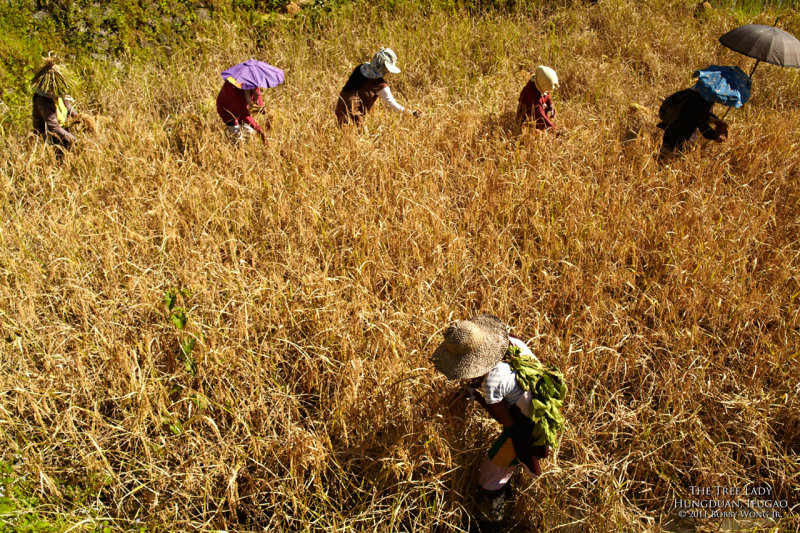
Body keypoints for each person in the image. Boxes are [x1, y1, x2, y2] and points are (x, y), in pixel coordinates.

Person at [432, 315, 566, 530]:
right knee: (506, 466)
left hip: (526, 426)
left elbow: (507, 420)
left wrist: (476, 397)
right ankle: (511, 483)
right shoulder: (513, 342)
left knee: (490, 473)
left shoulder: (492, 382)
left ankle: (491, 523)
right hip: (543, 405)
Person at [335, 47, 420, 128]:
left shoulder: (359, 69)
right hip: (355, 114)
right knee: (365, 139)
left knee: (343, 137)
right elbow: (393, 105)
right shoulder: (380, 85)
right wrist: (411, 113)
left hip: (339, 108)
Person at [657, 86, 728, 158]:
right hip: (682, 135)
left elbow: (700, 114)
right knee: (676, 157)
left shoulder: (695, 91)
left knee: (665, 155)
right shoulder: (704, 100)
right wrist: (717, 136)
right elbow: (703, 126)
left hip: (671, 127)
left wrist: (716, 120)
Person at [31, 57, 81, 149]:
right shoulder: (43, 101)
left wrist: (76, 115)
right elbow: (53, 127)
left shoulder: (59, 94)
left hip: (62, 130)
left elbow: (67, 106)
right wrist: (73, 139)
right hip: (50, 137)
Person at [216, 76, 268, 144]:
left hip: (240, 108)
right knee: (237, 138)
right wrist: (260, 131)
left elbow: (257, 94)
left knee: (249, 134)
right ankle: (236, 150)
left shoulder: (252, 81)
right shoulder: (237, 91)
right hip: (227, 109)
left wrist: (261, 106)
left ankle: (247, 149)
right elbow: (245, 115)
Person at [516, 65, 560, 131]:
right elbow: (541, 118)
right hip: (530, 121)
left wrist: (551, 105)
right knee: (533, 130)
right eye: (548, 88)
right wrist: (555, 129)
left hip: (539, 113)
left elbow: (547, 95)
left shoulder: (539, 83)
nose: (549, 91)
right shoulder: (533, 97)